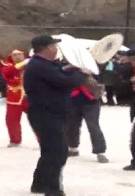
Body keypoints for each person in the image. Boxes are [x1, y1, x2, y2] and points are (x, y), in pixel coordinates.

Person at [24, 35, 88, 196]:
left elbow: (60, 73)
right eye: (54, 45)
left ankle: (39, 183)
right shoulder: (40, 66)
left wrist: (73, 68)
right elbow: (63, 81)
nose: (56, 48)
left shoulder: (45, 64)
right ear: (46, 48)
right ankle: (52, 189)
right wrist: (83, 75)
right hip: (46, 113)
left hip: (49, 112)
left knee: (49, 150)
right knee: (57, 151)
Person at [67, 75, 109, 163]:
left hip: (91, 102)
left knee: (93, 126)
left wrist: (87, 75)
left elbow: (99, 82)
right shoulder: (69, 70)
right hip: (73, 101)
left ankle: (100, 152)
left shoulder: (93, 69)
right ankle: (73, 147)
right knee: (72, 125)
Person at [1, 49, 32, 147]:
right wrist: (22, 64)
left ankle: (44, 141)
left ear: (24, 55)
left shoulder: (32, 65)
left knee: (38, 119)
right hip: (14, 96)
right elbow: (8, 73)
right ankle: (15, 140)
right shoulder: (7, 66)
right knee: (11, 119)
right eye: (14, 55)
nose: (17, 56)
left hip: (31, 96)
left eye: (19, 54)